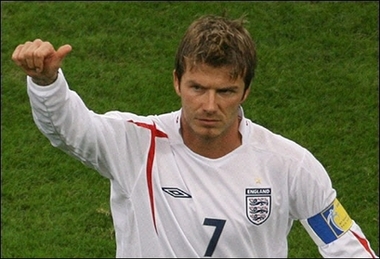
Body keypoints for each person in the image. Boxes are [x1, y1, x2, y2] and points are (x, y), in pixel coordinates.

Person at [11, 14, 378, 258]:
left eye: (226, 92)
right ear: (176, 82)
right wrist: (46, 84)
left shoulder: (289, 165)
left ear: (246, 91)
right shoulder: (136, 143)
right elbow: (69, 129)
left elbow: (345, 242)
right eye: (197, 87)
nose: (209, 105)